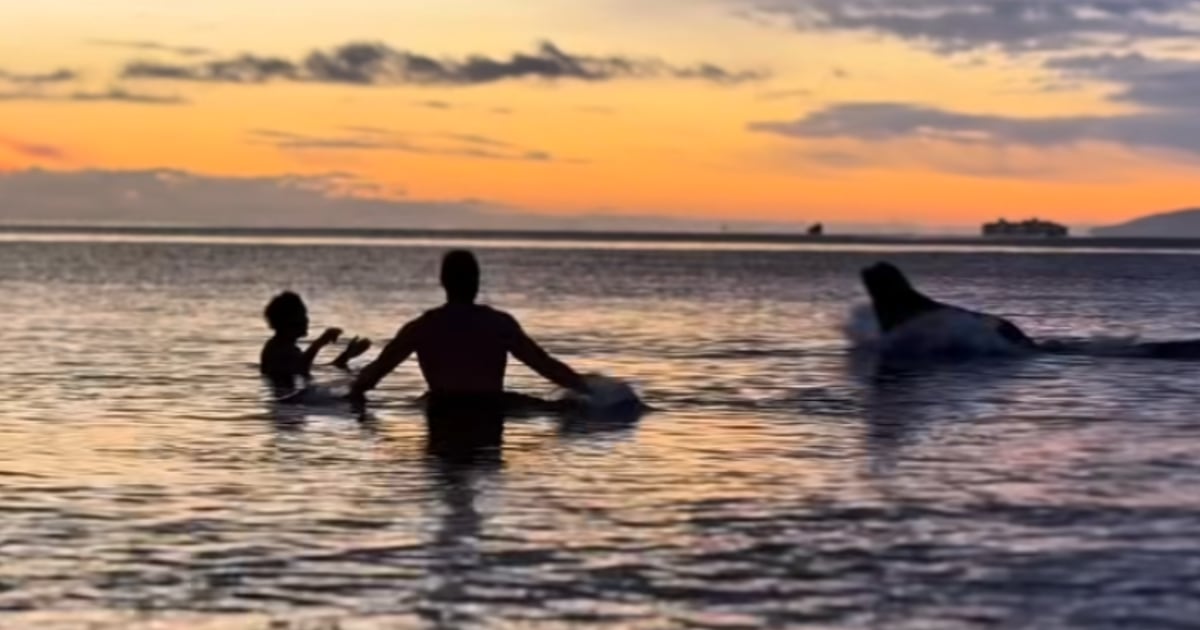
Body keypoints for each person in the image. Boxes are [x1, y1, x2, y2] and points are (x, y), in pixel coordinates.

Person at [348, 250, 591, 445]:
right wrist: (590, 391)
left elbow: (372, 376)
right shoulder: (498, 324)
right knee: (566, 409)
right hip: (490, 411)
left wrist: (350, 397)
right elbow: (546, 366)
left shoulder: (422, 327)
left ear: (443, 282)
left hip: (442, 411)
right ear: (476, 282)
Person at [260, 291, 372, 397]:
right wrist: (321, 341)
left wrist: (346, 355)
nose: (306, 320)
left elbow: (313, 366)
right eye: (302, 315)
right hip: (286, 400)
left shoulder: (286, 347)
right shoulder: (277, 348)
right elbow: (301, 367)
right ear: (289, 320)